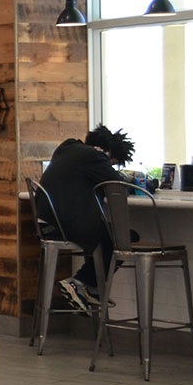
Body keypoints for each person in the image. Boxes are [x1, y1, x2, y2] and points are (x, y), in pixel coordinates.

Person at [38, 124, 136, 310]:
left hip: (45, 224)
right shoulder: (95, 156)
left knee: (106, 235)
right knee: (125, 237)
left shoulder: (67, 147)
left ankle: (89, 290)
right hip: (64, 225)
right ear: (105, 152)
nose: (108, 165)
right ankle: (80, 283)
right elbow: (117, 184)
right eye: (112, 163)